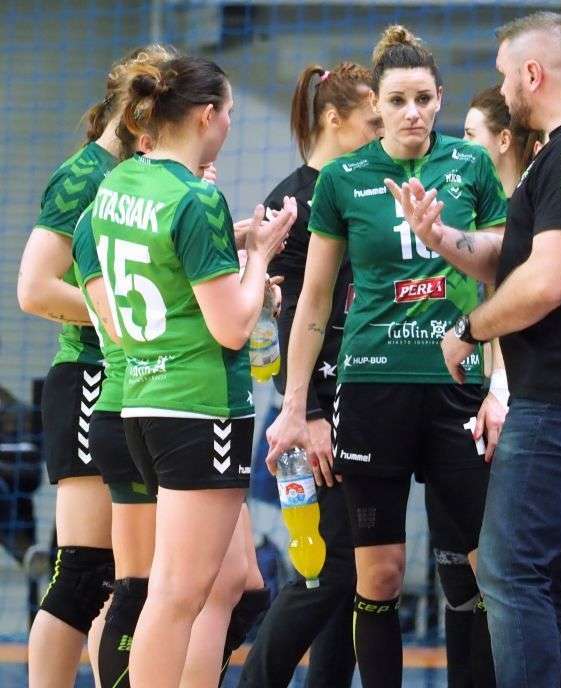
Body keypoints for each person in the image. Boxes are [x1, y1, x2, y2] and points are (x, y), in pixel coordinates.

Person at [393, 12, 561, 688]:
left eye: (507, 75)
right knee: (559, 584)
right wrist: (441, 238)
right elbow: (518, 257)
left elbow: (548, 280)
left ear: (533, 74)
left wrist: (471, 328)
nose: (504, 89)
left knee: (510, 574)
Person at [264, 25, 508, 687]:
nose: (411, 113)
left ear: (440, 98)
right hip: (373, 391)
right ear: (378, 103)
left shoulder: (471, 166)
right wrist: (295, 406)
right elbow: (313, 302)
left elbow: (502, 280)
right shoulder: (343, 178)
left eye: (423, 98)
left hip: (458, 390)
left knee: (489, 569)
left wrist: (500, 388)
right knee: (378, 575)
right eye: (397, 100)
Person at [89, 55, 295, 688]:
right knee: (178, 594)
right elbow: (232, 326)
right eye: (228, 112)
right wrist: (260, 258)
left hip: (143, 400)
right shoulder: (197, 196)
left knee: (194, 587)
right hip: (200, 408)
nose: (230, 124)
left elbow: (162, 268)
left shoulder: (121, 183)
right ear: (207, 115)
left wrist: (233, 246)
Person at [239, 61, 381, 688]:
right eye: (372, 122)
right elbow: (289, 316)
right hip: (313, 412)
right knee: (328, 570)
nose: (381, 133)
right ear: (333, 118)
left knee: (353, 575)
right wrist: (312, 413)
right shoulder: (293, 202)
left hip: (364, 401)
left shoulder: (364, 187)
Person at [17, 46, 152, 687]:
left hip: (134, 381)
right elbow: (35, 288)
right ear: (136, 112)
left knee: (123, 578)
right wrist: (122, 320)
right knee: (83, 573)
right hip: (89, 377)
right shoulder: (84, 175)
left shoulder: (138, 178)